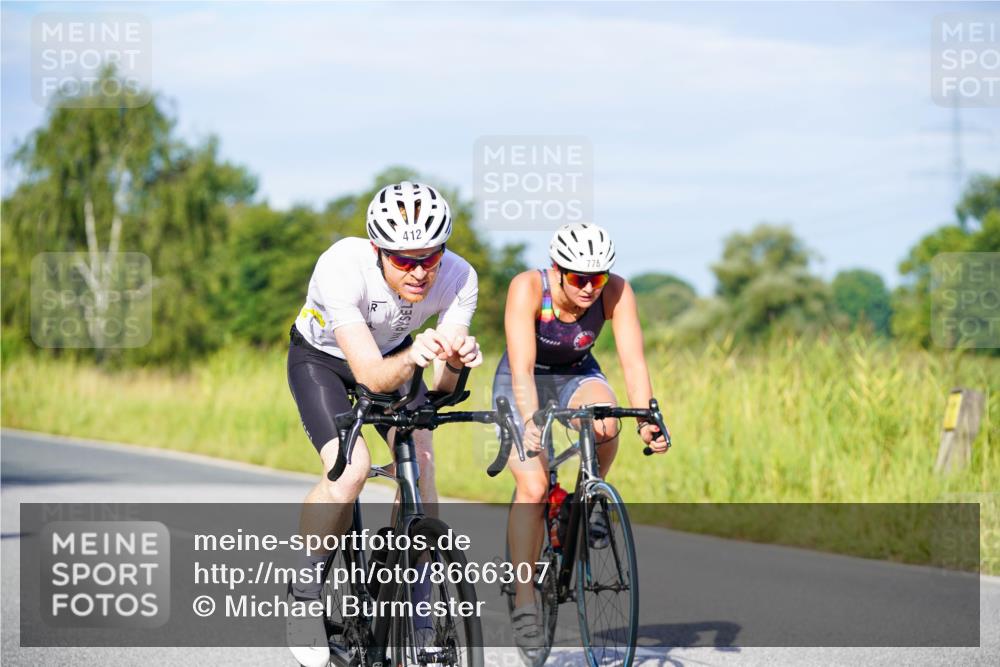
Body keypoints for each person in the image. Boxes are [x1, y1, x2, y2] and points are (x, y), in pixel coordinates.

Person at [286, 181, 482, 667]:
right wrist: (416, 353)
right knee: (351, 470)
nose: (419, 272)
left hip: (398, 356)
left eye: (430, 257)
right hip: (324, 360)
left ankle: (417, 609)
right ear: (378, 250)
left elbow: (441, 390)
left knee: (423, 460)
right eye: (403, 260)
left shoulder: (459, 277)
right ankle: (304, 587)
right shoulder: (341, 266)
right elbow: (371, 375)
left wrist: (458, 361)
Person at [492, 222, 669, 648]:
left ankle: (587, 500)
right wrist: (531, 421)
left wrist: (647, 418)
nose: (591, 288)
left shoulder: (617, 291)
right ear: (557, 269)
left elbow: (633, 364)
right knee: (533, 488)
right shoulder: (528, 288)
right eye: (579, 278)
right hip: (524, 377)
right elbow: (521, 368)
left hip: (576, 374)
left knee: (607, 421)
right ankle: (524, 598)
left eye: (599, 277)